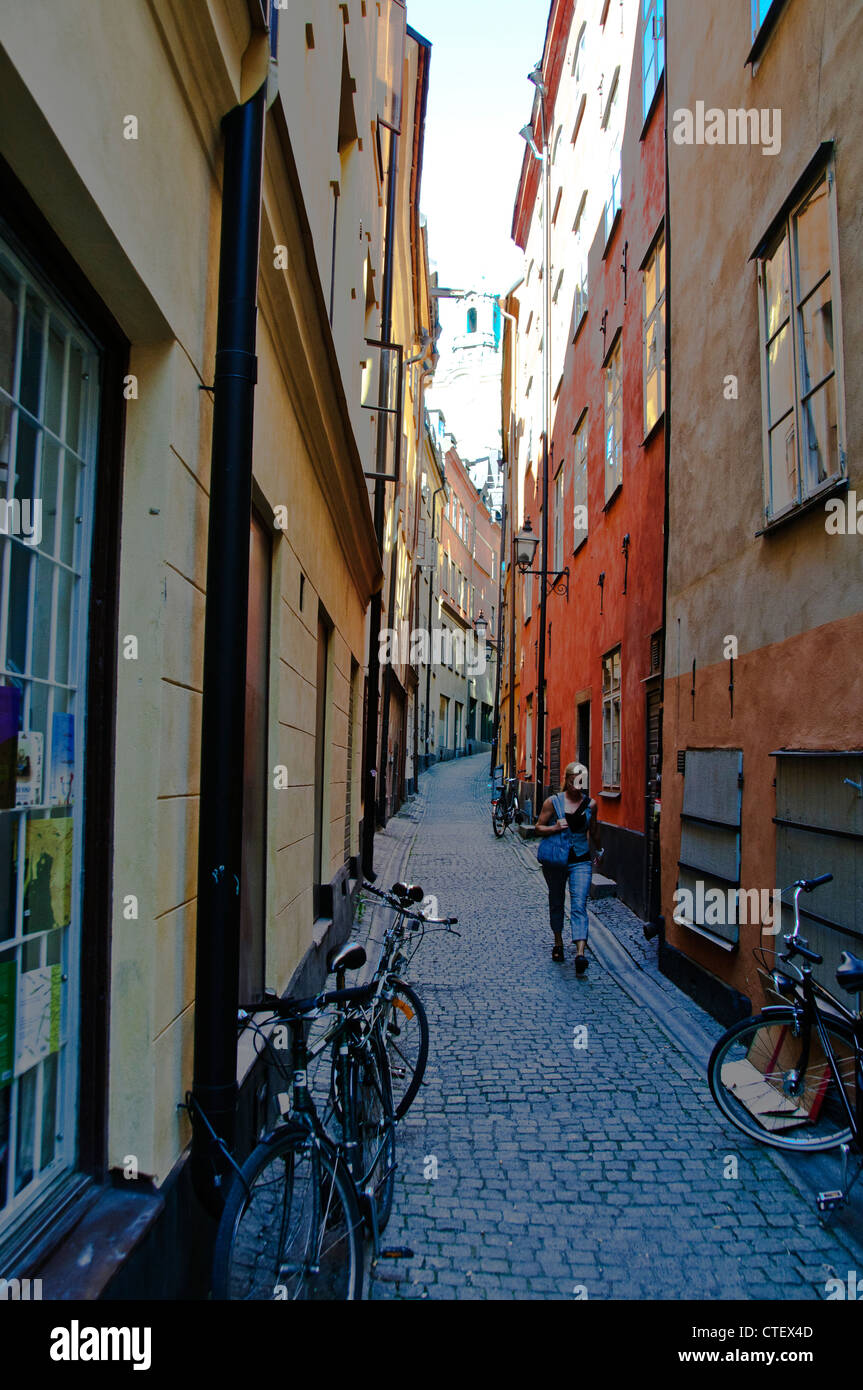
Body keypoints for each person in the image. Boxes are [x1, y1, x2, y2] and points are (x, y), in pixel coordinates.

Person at [535, 761, 602, 974]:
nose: (580, 785)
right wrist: (554, 827)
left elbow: (594, 830)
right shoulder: (552, 803)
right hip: (556, 860)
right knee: (556, 900)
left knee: (579, 904)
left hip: (581, 861)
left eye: (583, 780)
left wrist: (598, 851)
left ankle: (580, 954)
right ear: (568, 780)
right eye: (576, 780)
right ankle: (558, 942)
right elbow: (538, 827)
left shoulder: (591, 805)